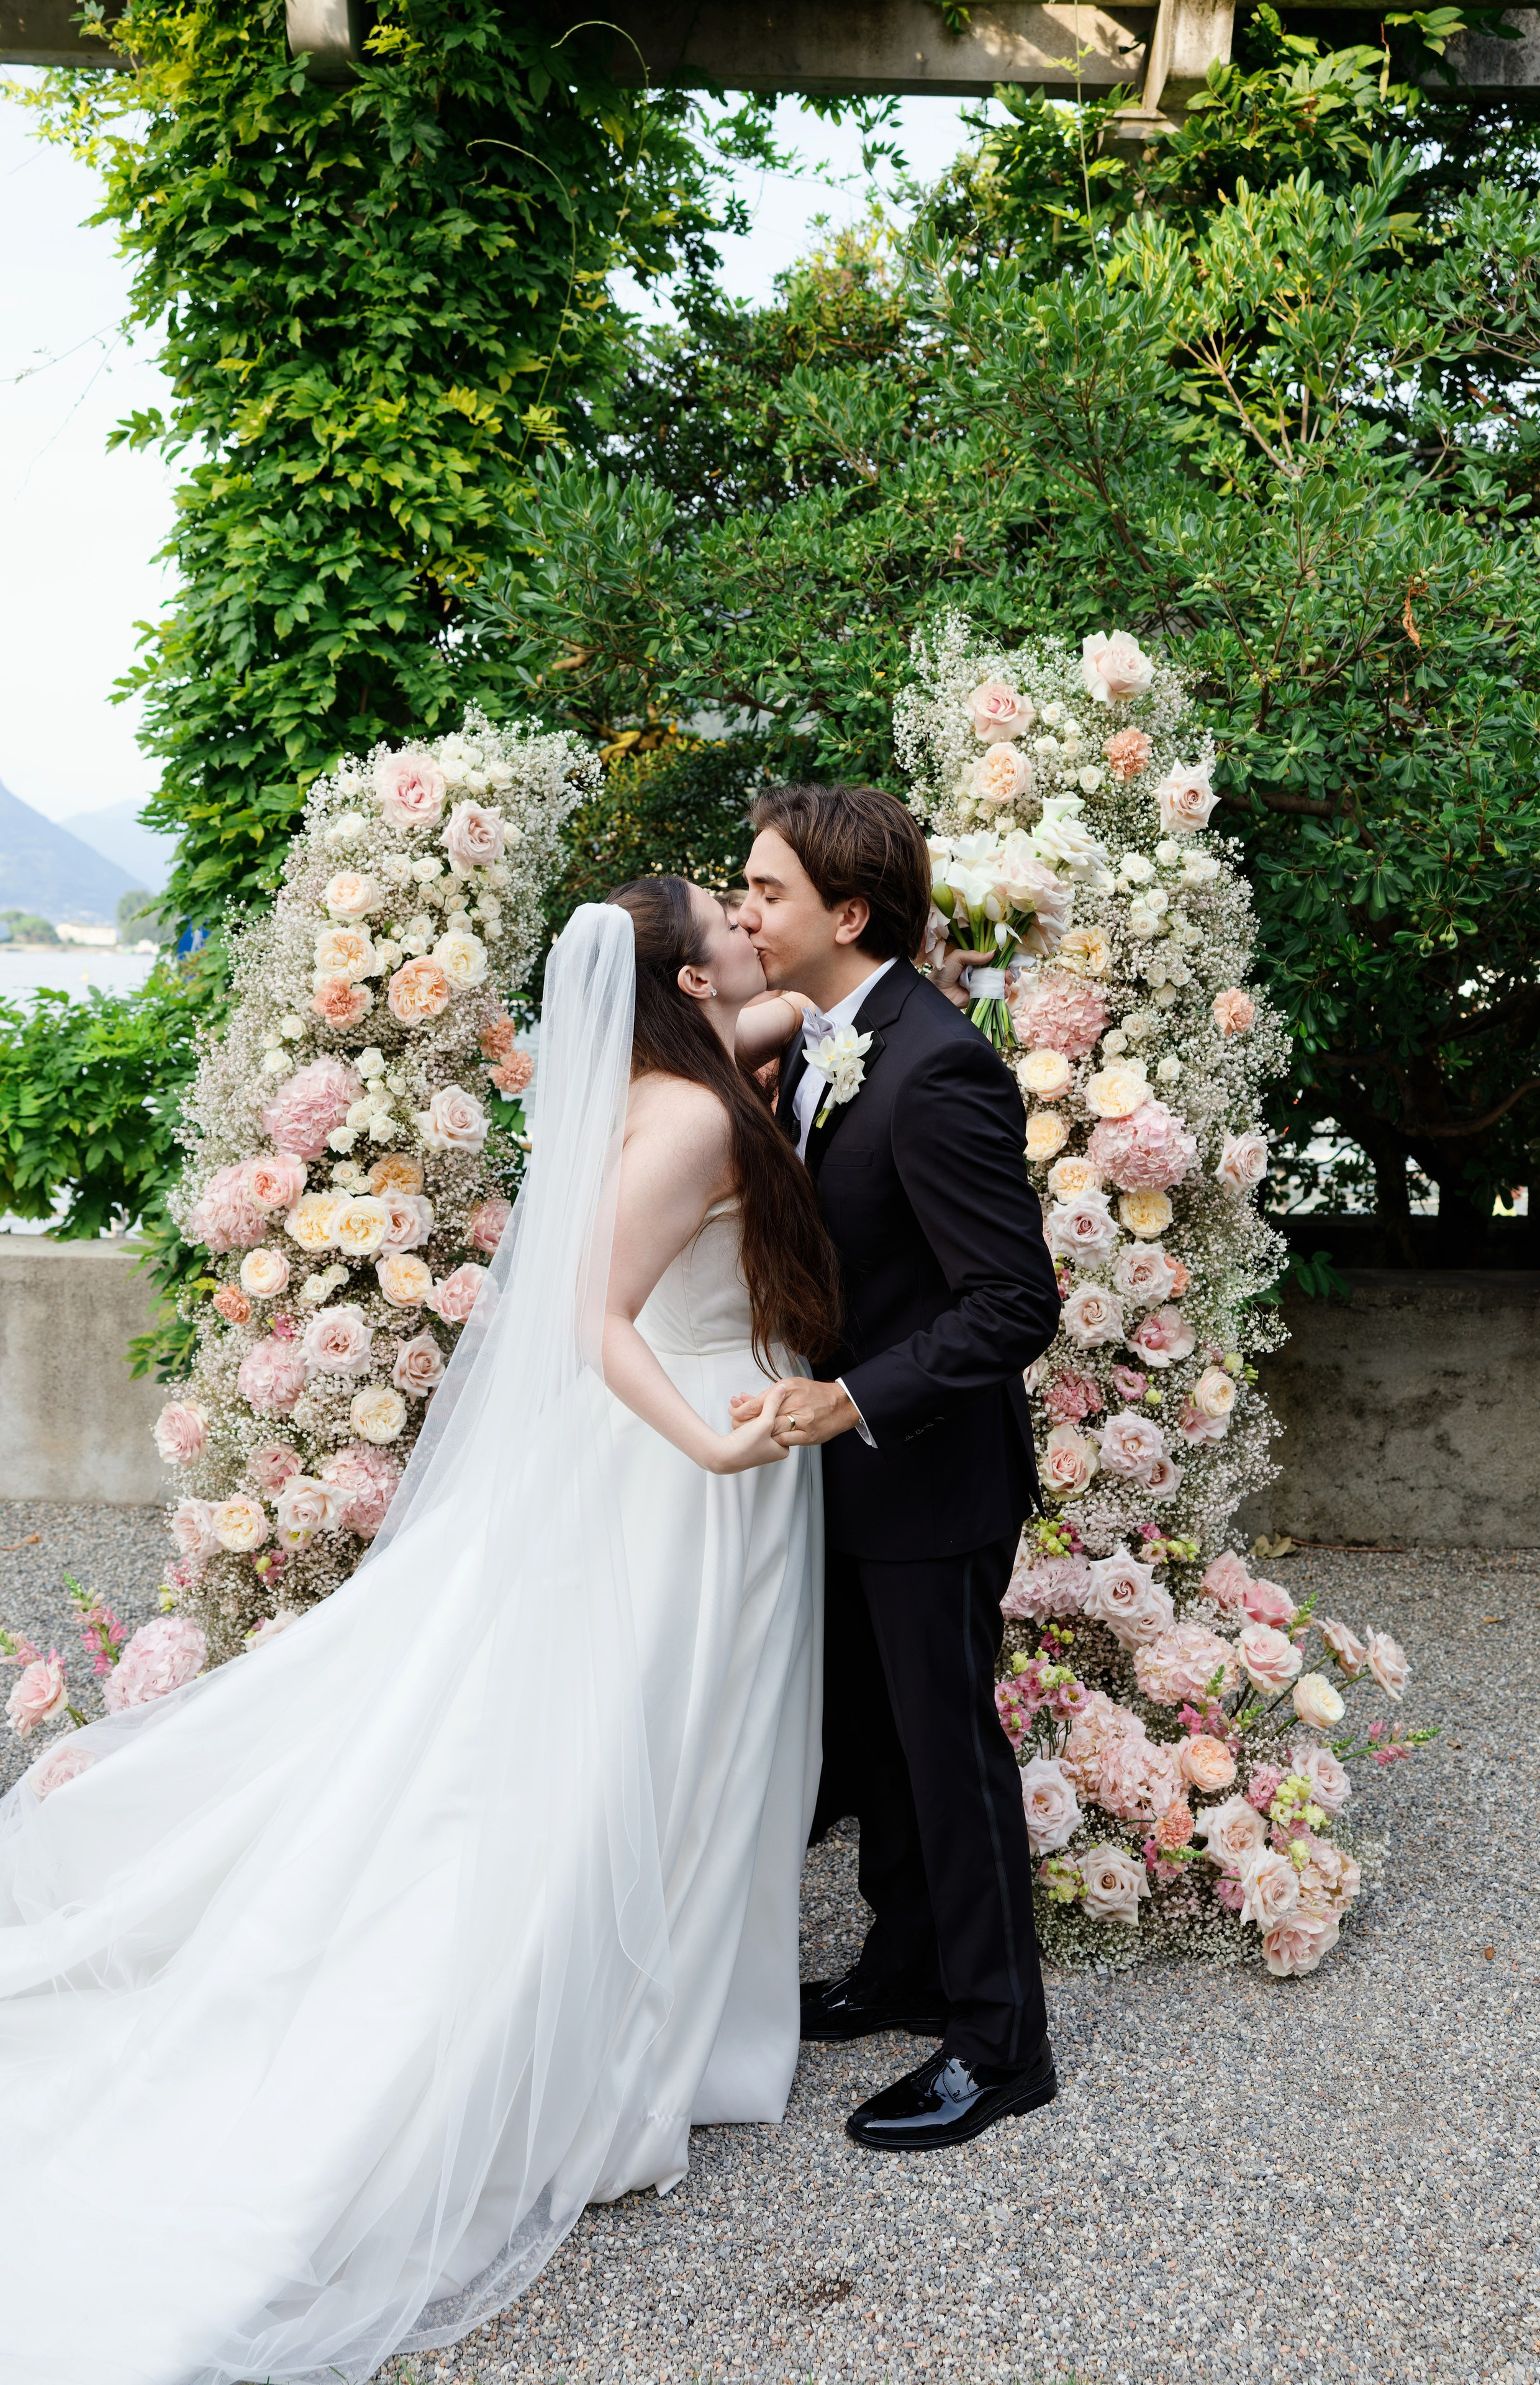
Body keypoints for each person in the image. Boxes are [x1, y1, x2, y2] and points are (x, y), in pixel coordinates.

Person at [0, 886, 837, 2385]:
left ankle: (674, 2011)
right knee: (642, 1749)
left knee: (679, 1743)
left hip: (721, 1444)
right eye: (728, 920)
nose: (747, 928)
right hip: (686, 1458)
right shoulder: (692, 1121)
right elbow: (594, 1312)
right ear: (683, 976)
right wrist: (710, 1451)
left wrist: (902, 969)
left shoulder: (692, 1062)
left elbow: (786, 1013)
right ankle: (597, 2035)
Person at [730, 782, 1062, 2155]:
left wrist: (853, 1401)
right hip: (851, 1475)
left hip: (926, 1476)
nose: (744, 911)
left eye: (764, 892)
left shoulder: (935, 1066)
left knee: (947, 1753)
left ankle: (999, 2044)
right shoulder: (817, 1042)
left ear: (845, 914)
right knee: (872, 1740)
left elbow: (1011, 1303)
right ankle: (904, 1964)